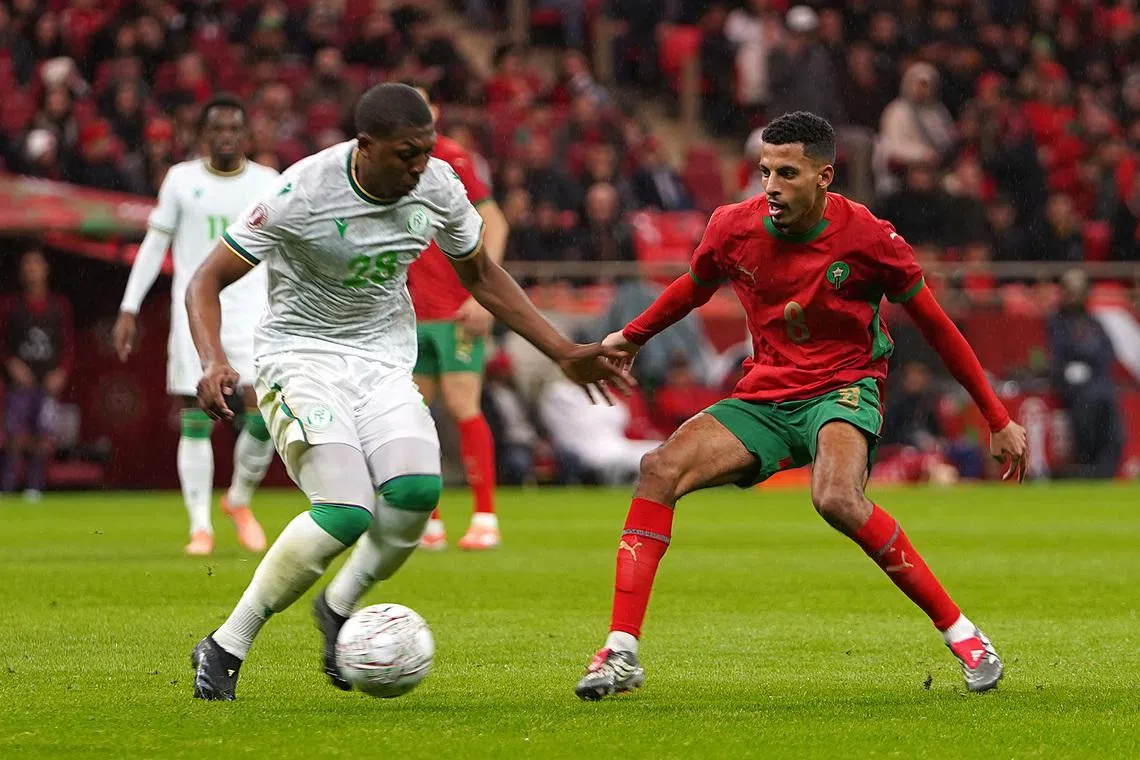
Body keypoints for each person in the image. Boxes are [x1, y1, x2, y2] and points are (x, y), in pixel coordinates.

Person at [184, 83, 632, 700]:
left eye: (425, 150)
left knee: (417, 490)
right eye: (405, 153)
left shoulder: (439, 184)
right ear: (365, 146)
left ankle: (337, 608)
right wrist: (212, 360)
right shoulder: (301, 192)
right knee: (344, 510)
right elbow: (205, 279)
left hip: (383, 362)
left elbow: (482, 274)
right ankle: (227, 643)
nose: (419, 164)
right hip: (301, 360)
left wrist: (562, 350)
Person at [573, 112, 1029, 701]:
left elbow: (939, 328)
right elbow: (695, 284)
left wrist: (996, 417)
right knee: (658, 469)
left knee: (835, 496)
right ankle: (620, 652)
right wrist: (630, 338)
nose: (770, 186)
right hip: (764, 395)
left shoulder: (869, 238)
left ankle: (964, 634)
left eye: (787, 173)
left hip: (843, 388)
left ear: (824, 177)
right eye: (765, 171)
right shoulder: (733, 227)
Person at [113, 93, 279, 557]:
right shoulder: (181, 180)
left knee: (263, 411)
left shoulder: (269, 181)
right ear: (202, 135)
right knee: (196, 416)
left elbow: (287, 247)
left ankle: (239, 500)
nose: (225, 137)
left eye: (234, 129)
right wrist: (129, 306)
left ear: (247, 136)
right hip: (196, 315)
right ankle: (200, 527)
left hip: (254, 312)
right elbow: (153, 245)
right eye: (217, 129)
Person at [405, 88, 510, 552]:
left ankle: (485, 516)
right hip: (409, 311)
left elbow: (496, 222)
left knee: (462, 402)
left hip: (454, 307)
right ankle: (429, 521)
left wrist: (484, 293)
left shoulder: (450, 157)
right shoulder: (391, 162)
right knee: (413, 412)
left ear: (436, 112)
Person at [1, 249, 73, 501]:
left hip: (47, 381)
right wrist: (11, 364)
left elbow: (67, 345)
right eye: (27, 265)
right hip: (19, 384)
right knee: (16, 434)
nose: (32, 270)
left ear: (45, 269)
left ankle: (35, 487)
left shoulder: (58, 306)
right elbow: (3, 343)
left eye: (36, 264)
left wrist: (61, 372)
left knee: (43, 435)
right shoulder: (11, 305)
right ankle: (8, 486)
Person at [1047, 269, 1124, 479]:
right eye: (1070, 292)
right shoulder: (1057, 322)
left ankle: (1106, 470)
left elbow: (1107, 352)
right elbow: (1060, 355)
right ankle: (1089, 465)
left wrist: (1089, 364)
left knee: (1109, 409)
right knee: (1087, 406)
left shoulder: (1093, 322)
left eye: (1078, 292)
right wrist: (1080, 363)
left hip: (1099, 382)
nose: (1074, 297)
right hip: (1073, 386)